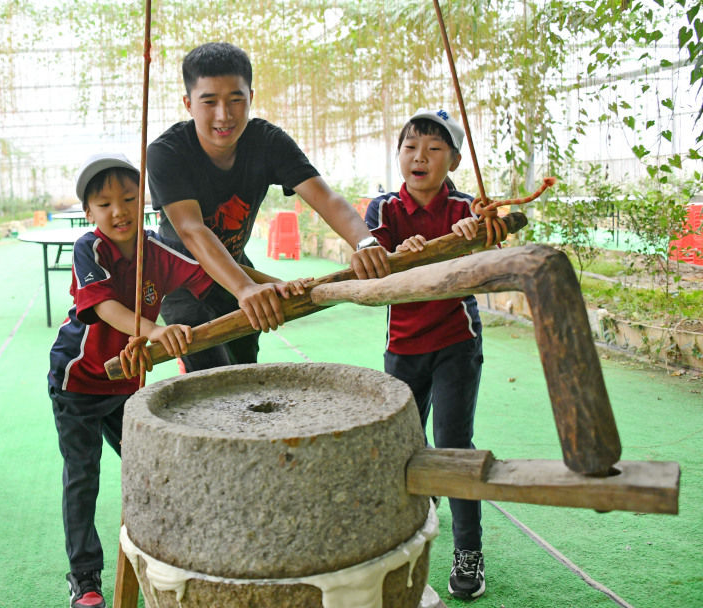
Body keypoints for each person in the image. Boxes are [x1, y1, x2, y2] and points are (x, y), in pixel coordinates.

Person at [147, 41, 389, 372]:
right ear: (189, 104)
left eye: (236, 100)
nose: (224, 115)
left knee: (245, 364)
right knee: (211, 374)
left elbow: (324, 197)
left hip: (236, 267)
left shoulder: (267, 141)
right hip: (181, 280)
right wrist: (247, 288)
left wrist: (364, 241)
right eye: (209, 102)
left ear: (251, 99)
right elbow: (191, 229)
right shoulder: (167, 152)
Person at [48, 153, 219, 608]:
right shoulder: (90, 248)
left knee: (154, 470)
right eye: (104, 204)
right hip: (78, 382)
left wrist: (267, 288)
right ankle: (84, 579)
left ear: (142, 199)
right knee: (83, 478)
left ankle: (169, 554)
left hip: (127, 385)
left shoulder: (156, 252)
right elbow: (104, 308)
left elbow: (214, 280)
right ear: (88, 213)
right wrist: (157, 330)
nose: (118, 210)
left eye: (128, 198)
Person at [363, 109, 486, 600]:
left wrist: (475, 234)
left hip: (457, 341)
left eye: (434, 150)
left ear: (453, 160)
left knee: (453, 445)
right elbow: (373, 261)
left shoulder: (466, 209)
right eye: (411, 147)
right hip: (404, 347)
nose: (420, 157)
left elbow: (492, 241)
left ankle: (469, 552)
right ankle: (405, 544)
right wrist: (401, 254)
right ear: (399, 155)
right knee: (404, 448)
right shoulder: (384, 209)